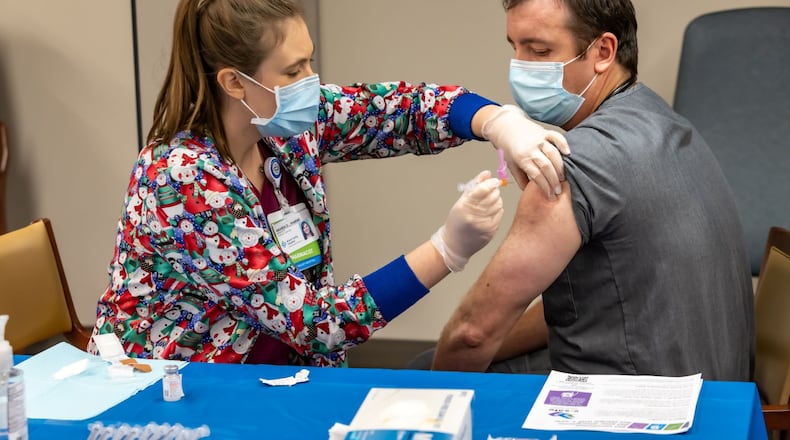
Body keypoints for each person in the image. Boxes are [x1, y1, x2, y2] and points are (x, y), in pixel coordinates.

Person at [87, 0, 570, 367]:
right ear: (234, 83)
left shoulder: (282, 125)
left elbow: (404, 110)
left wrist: (498, 122)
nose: (312, 83)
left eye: (310, 62)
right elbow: (317, 323)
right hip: (177, 387)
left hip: (281, 374)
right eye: (294, 71)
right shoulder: (184, 179)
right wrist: (446, 250)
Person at [432, 0, 754, 381]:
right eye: (514, 48)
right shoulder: (668, 125)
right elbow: (584, 303)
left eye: (539, 51)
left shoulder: (571, 164)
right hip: (718, 390)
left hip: (639, 406)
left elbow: (471, 334)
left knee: (426, 369)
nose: (519, 67)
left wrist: (431, 405)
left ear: (603, 52)